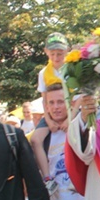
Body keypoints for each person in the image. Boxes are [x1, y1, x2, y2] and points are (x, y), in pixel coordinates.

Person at [32, 32, 70, 185]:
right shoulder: (43, 73)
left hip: (71, 110)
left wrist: (69, 119)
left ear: (66, 52)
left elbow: (78, 96)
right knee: (35, 140)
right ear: (46, 52)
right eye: (52, 53)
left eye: (59, 53)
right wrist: (48, 120)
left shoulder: (72, 69)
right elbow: (44, 99)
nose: (56, 57)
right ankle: (47, 176)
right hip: (51, 112)